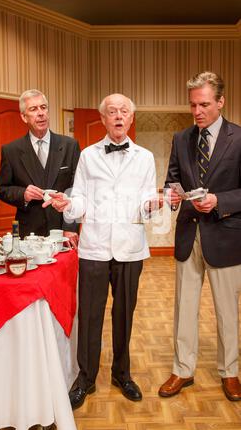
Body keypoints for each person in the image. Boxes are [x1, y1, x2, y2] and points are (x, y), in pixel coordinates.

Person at [44, 93, 160, 408]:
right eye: (112, 112)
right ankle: (85, 378)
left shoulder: (145, 157)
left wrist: (151, 205)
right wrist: (69, 204)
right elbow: (80, 196)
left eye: (124, 111)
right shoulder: (89, 155)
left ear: (131, 118)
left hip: (130, 248)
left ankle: (122, 373)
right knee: (90, 316)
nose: (118, 116)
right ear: (105, 119)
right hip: (93, 248)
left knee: (124, 315)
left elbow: (148, 200)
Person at [158, 71, 241, 402]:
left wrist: (220, 201)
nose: (197, 111)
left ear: (221, 102)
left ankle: (230, 371)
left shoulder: (239, 138)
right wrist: (171, 195)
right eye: (193, 105)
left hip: (226, 235)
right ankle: (182, 369)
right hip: (188, 234)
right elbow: (171, 179)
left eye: (204, 104)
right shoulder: (181, 138)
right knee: (184, 306)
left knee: (227, 310)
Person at [0, 89, 80, 246]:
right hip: (29, 235)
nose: (41, 113)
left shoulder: (70, 145)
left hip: (63, 233)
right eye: (33, 109)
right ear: (23, 116)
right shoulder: (11, 150)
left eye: (43, 107)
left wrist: (70, 227)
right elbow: (2, 189)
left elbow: (77, 189)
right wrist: (23, 194)